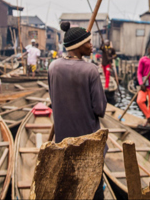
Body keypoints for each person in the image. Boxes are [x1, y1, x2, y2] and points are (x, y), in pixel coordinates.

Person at [48, 21, 107, 200]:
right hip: (88, 143)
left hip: (63, 142)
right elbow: (100, 109)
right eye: (88, 42)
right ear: (79, 46)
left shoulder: (53, 67)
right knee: (93, 189)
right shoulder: (91, 70)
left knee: (67, 186)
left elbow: (53, 100)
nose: (92, 45)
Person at [137, 45, 150, 126]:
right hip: (144, 86)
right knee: (140, 101)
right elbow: (139, 73)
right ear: (149, 50)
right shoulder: (143, 60)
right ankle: (149, 117)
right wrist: (141, 83)